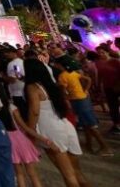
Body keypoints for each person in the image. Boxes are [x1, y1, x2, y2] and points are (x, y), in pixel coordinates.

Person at [25, 58, 89, 187]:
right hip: (64, 125)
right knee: (76, 171)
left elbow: (35, 111)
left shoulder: (32, 87)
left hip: (51, 130)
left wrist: (31, 132)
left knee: (68, 174)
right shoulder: (51, 85)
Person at [55, 56, 112, 156]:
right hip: (83, 99)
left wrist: (67, 98)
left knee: (90, 126)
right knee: (86, 124)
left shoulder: (62, 76)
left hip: (77, 101)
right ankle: (89, 144)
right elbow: (88, 79)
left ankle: (105, 147)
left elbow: (63, 92)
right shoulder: (73, 73)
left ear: (60, 65)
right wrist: (85, 90)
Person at [7, 101, 50, 187]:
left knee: (19, 174)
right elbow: (25, 128)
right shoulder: (11, 107)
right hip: (20, 140)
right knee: (32, 174)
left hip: (8, 142)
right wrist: (44, 139)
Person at [95, 45, 120, 134]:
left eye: (103, 52)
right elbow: (100, 76)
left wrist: (117, 85)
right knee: (113, 107)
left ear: (107, 52)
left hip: (118, 86)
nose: (101, 54)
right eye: (99, 53)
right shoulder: (99, 63)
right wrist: (98, 87)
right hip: (108, 88)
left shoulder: (115, 61)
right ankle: (116, 124)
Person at [4, 48, 28, 121]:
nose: (6, 55)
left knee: (24, 115)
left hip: (18, 93)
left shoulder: (13, 64)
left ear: (13, 53)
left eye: (8, 53)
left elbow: (15, 77)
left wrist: (3, 77)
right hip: (24, 90)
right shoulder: (22, 61)